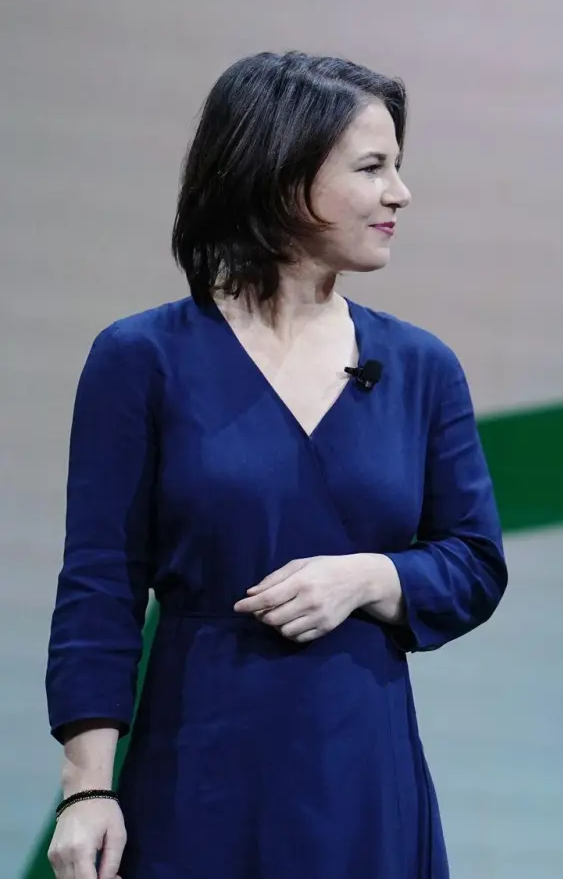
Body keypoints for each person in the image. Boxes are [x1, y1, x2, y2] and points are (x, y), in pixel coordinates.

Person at [44, 52, 508, 879]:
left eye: (397, 167)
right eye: (373, 168)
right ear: (283, 176)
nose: (400, 194)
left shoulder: (421, 366)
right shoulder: (141, 358)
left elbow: (473, 563)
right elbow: (100, 585)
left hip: (362, 770)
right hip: (197, 763)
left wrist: (368, 577)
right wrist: (87, 790)